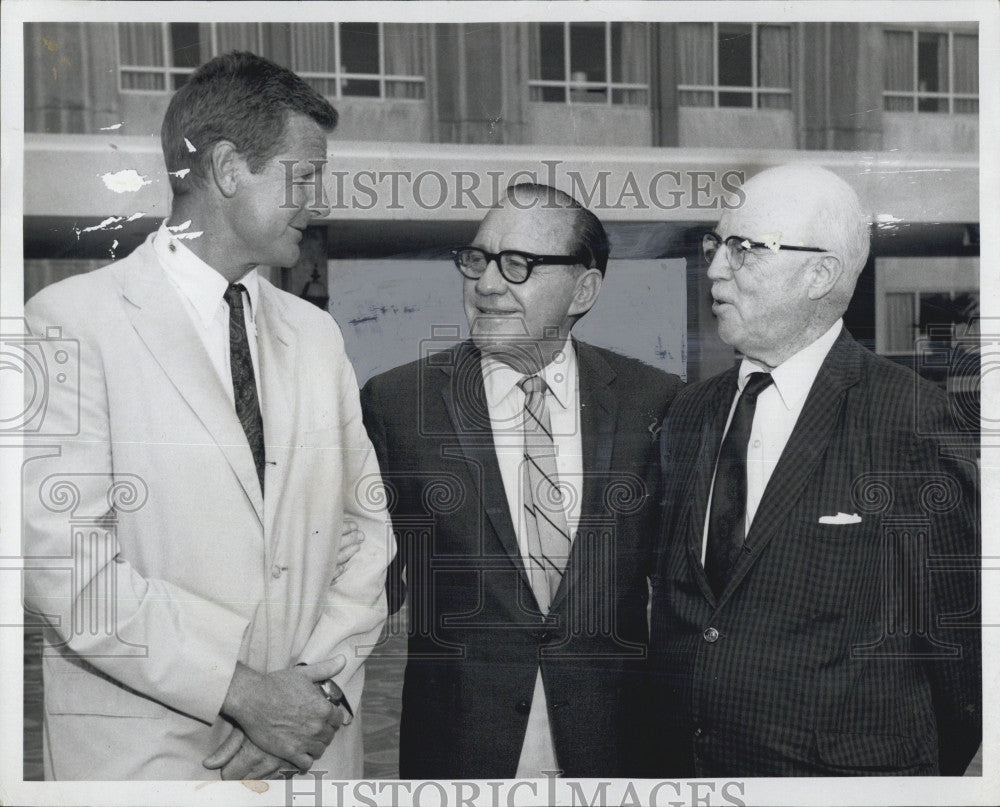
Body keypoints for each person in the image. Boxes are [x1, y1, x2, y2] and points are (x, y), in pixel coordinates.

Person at [22, 52, 393, 780]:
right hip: (148, 759)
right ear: (227, 169)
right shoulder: (66, 322)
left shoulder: (316, 336)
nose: (317, 202)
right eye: (304, 176)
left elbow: (366, 532)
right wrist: (240, 690)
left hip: (306, 752)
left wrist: (306, 693)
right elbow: (62, 558)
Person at [648, 164, 981, 776]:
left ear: (820, 274)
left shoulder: (914, 422)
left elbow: (963, 654)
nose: (716, 268)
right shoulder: (688, 413)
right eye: (715, 245)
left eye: (744, 249)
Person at [360, 183, 682, 778]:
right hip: (459, 752)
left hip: (615, 752)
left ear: (583, 289)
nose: (486, 284)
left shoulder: (653, 403)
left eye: (519, 265)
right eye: (478, 260)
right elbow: (360, 580)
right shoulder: (399, 403)